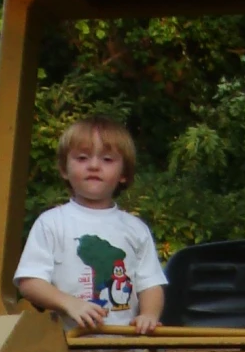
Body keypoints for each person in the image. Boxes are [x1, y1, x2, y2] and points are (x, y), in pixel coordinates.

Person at [14, 118, 166, 333]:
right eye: (82, 158)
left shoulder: (135, 228)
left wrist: (149, 315)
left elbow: (150, 283)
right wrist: (70, 303)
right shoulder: (51, 223)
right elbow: (30, 282)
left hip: (127, 349)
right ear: (64, 169)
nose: (94, 166)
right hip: (68, 349)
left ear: (124, 174)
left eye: (107, 159)